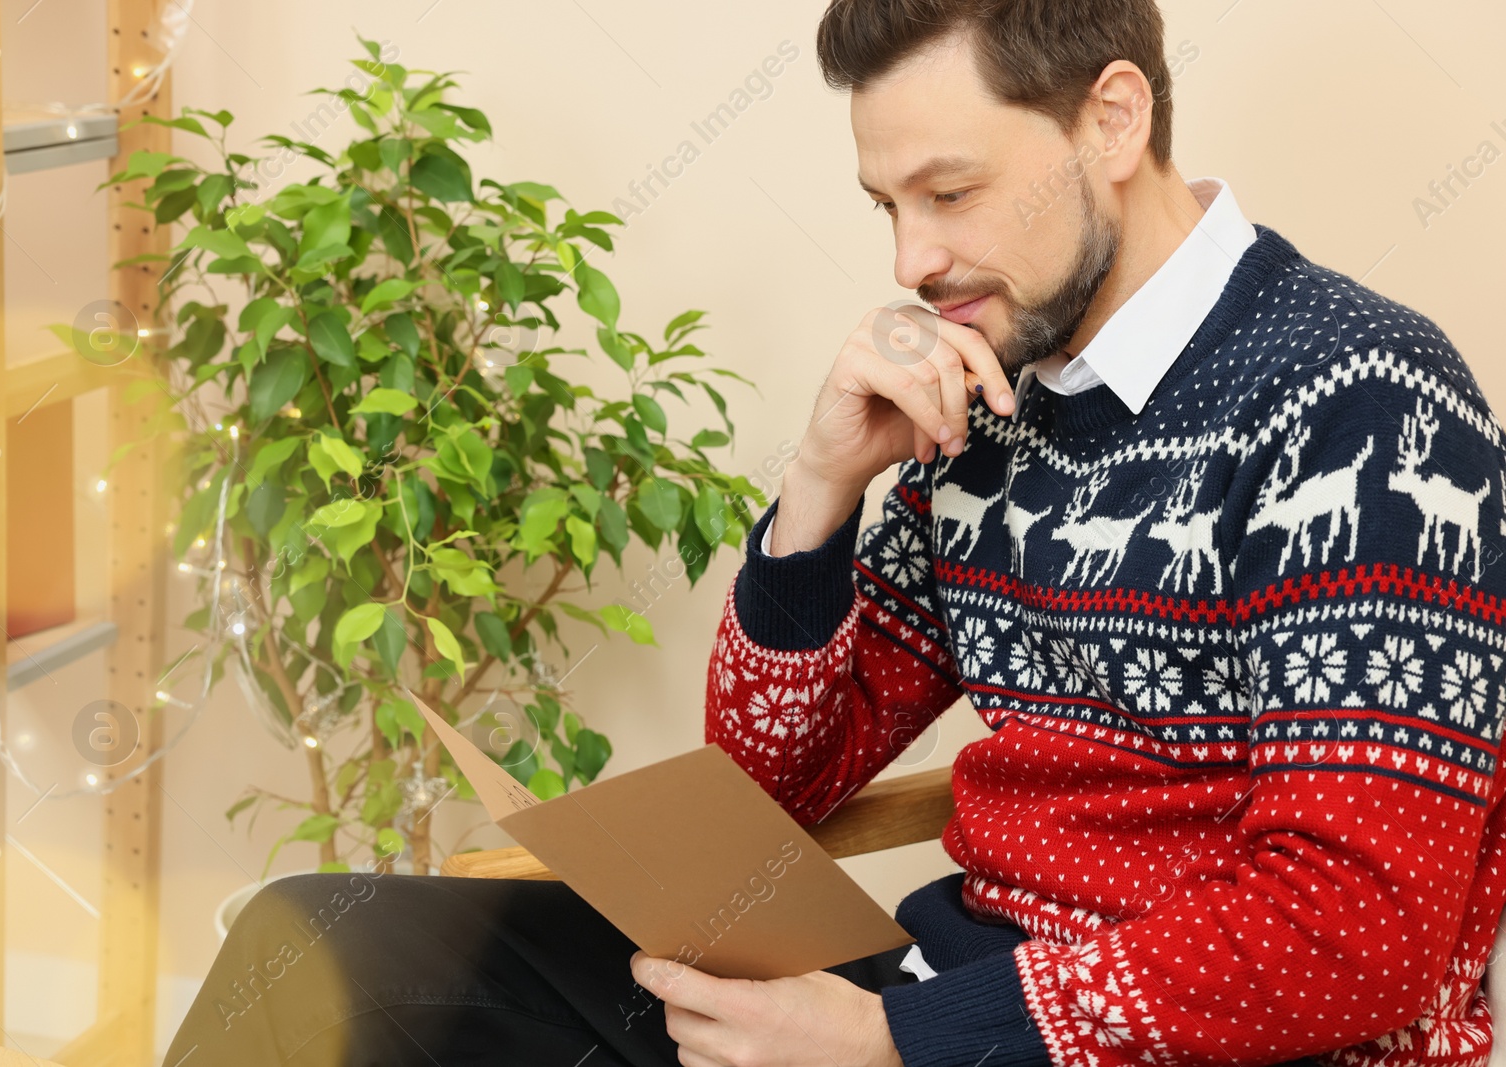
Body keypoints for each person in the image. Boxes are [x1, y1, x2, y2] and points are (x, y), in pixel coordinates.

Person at [164, 1, 1506, 1065]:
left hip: (1139, 1042)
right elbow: (772, 792)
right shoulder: (994, 401)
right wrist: (816, 494)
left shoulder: (1366, 405)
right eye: (888, 209)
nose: (911, 261)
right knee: (318, 940)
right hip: (927, 999)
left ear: (1112, 119)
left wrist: (892, 1040)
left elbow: (1357, 932)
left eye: (951, 193)